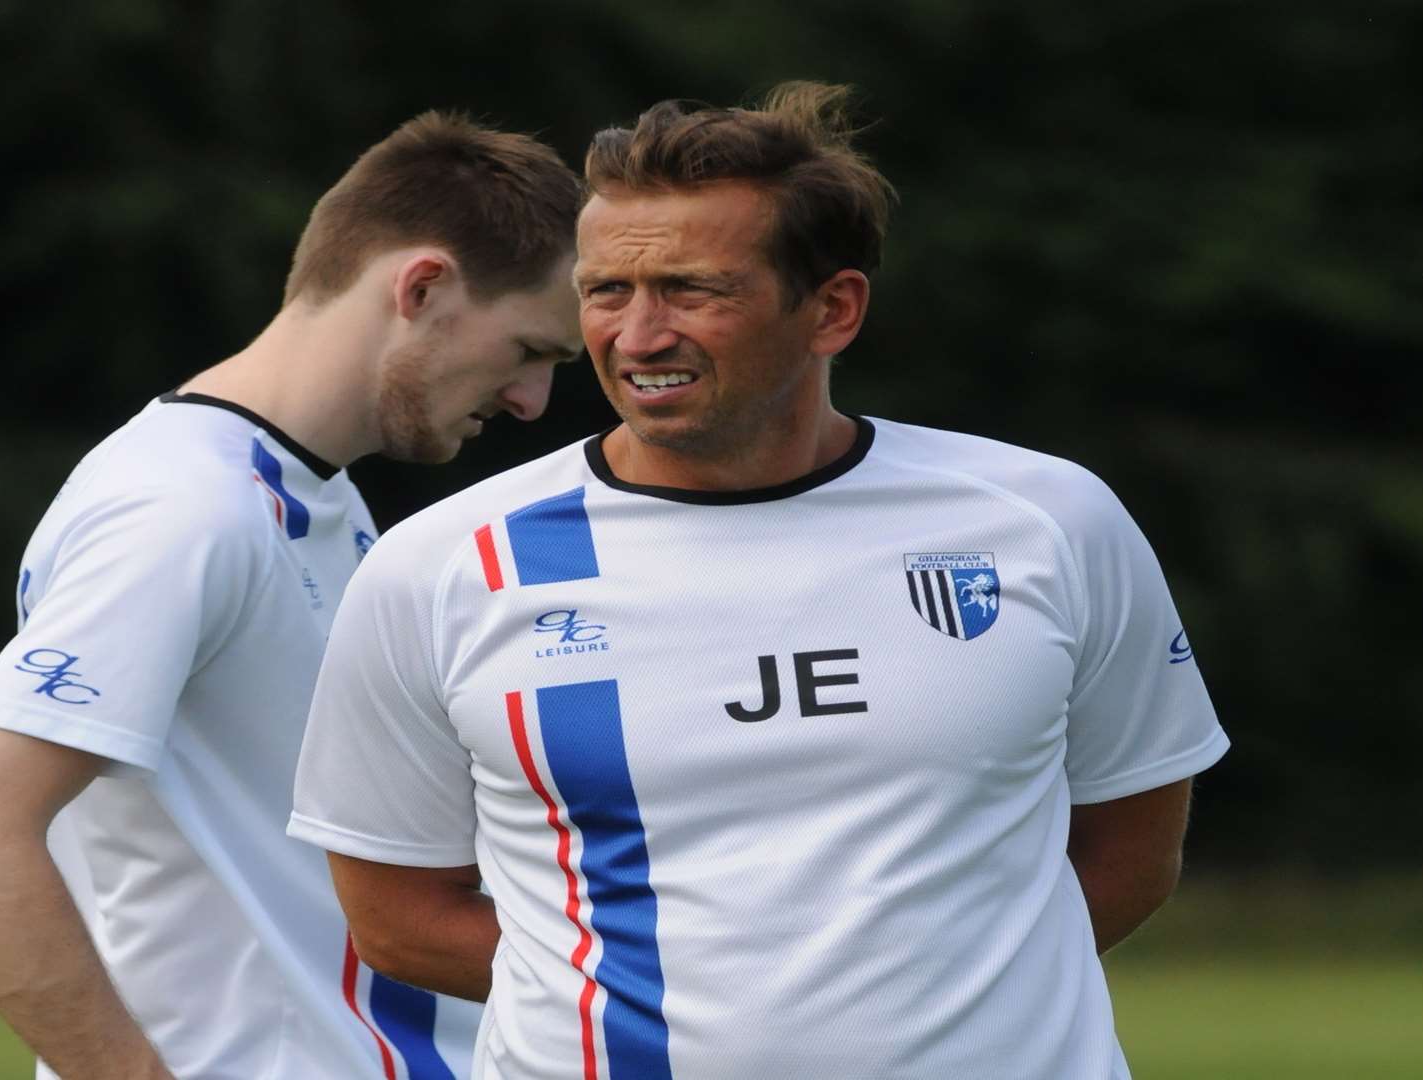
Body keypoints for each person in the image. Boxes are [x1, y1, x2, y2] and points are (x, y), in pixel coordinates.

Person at [288, 82, 1228, 1079]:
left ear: (834, 308)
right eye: (607, 292)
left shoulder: (1047, 520)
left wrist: (944, 1003)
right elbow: (396, 917)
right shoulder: (442, 567)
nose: (638, 336)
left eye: (693, 290)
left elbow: (1132, 849)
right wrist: (687, 1006)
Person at [0, 112, 584, 1080]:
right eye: (529, 352)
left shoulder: (313, 498)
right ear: (422, 287)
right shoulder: (186, 509)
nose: (531, 404)